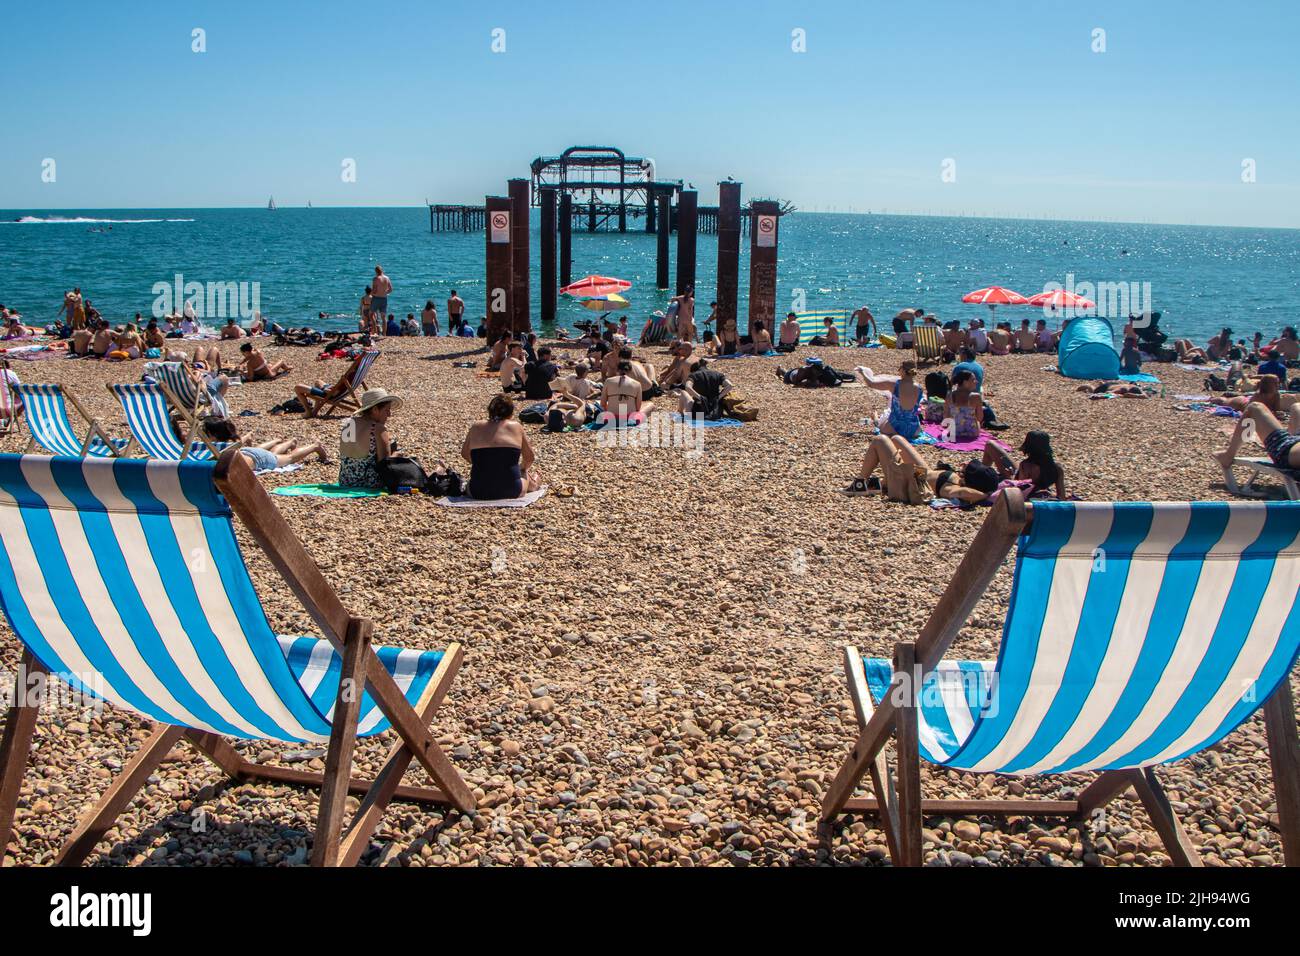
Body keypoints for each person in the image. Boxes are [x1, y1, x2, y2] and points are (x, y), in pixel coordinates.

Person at [841, 434, 999, 503]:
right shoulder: (958, 481)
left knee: (880, 440)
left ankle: (860, 485)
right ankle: (881, 484)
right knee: (897, 439)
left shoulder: (952, 489)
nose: (964, 465)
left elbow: (965, 493)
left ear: (972, 479)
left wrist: (985, 495)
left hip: (907, 487)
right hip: (920, 475)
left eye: (968, 468)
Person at [461, 395, 543, 500]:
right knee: (523, 472)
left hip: (478, 492)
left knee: (474, 480)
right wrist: (522, 468)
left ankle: (529, 482)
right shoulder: (515, 426)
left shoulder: (476, 426)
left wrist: (485, 464)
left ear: (490, 410)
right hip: (512, 491)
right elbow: (529, 458)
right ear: (511, 413)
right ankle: (535, 483)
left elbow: (464, 453)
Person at [1214, 398, 1300, 476]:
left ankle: (1228, 456)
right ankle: (1292, 437)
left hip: (1285, 452)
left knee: (1254, 407)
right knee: (1297, 407)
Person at [339, 388, 400, 489]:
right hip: (369, 483)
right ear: (375, 409)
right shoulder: (377, 428)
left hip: (345, 481)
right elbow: (385, 465)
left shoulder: (348, 423)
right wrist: (397, 455)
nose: (389, 414)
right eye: (387, 410)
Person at [984, 430, 1066, 499]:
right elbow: (1061, 497)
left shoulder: (1026, 465)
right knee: (991, 445)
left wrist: (1010, 476)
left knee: (990, 445)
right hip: (1038, 491)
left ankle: (982, 476)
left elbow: (1019, 488)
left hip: (1023, 492)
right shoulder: (1057, 468)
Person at [293, 350, 369, 417]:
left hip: (332, 394)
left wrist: (325, 389)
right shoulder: (357, 373)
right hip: (337, 391)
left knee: (297, 387)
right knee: (318, 381)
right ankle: (315, 411)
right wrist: (332, 387)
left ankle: (308, 412)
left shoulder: (351, 375)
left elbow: (334, 392)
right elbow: (341, 387)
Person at [872, 361, 923, 440]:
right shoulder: (919, 387)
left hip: (894, 427)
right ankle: (875, 417)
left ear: (902, 370)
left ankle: (875, 417)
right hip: (913, 429)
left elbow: (871, 383)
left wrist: (863, 372)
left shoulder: (895, 385)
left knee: (879, 424)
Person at [600, 359, 651, 424]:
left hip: (611, 418)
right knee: (650, 404)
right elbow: (638, 407)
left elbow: (602, 404)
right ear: (630, 370)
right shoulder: (637, 384)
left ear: (617, 369)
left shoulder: (608, 381)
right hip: (629, 419)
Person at [238, 438, 330, 474]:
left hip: (259, 459)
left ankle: (315, 446)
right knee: (272, 455)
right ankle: (289, 442)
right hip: (245, 451)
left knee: (290, 458)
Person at [1212, 373, 1282, 413]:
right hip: (1241, 403)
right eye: (1275, 383)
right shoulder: (1259, 395)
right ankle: (1212, 399)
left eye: (1277, 383)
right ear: (1267, 384)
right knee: (1224, 401)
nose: (1277, 385)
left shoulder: (1276, 394)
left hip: (1246, 401)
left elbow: (1277, 410)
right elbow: (1247, 409)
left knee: (1227, 399)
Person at [945, 369, 983, 441]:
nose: (976, 382)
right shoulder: (976, 397)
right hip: (972, 433)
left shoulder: (949, 395)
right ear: (965, 382)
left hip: (954, 432)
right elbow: (980, 418)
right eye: (973, 380)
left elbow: (946, 416)